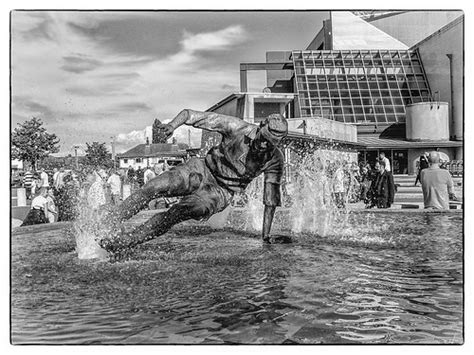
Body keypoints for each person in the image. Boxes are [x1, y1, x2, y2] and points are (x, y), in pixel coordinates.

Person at [100, 110, 288, 253]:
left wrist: (266, 236)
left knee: (179, 212)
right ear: (260, 127)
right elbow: (190, 115)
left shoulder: (275, 160)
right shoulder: (236, 127)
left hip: (221, 192)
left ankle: (125, 242)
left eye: (271, 144)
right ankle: (112, 220)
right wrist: (172, 126)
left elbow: (270, 202)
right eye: (264, 139)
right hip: (201, 169)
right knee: (154, 187)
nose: (264, 145)